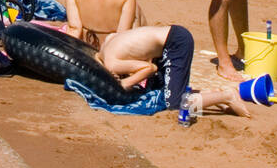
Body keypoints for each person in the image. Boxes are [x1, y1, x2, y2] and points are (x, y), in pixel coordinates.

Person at [99, 26, 250, 116]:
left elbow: (150, 68)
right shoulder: (105, 46)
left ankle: (227, 96)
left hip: (175, 44)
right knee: (163, 90)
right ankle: (213, 94)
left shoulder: (111, 64)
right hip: (170, 37)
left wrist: (126, 83)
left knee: (175, 105)